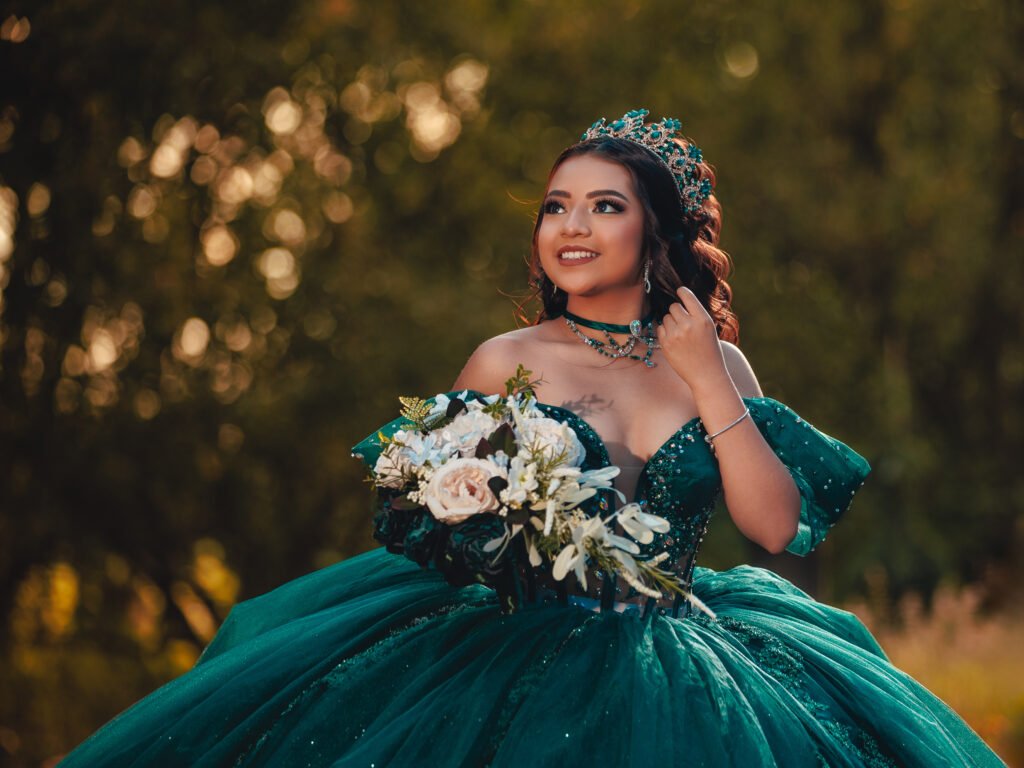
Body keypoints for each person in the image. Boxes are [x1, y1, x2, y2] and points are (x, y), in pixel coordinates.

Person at [60, 109, 1006, 767]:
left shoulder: (713, 363)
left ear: (656, 227)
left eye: (604, 205)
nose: (572, 227)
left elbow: (771, 527)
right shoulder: (505, 357)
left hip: (683, 659)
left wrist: (708, 375)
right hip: (509, 660)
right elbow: (437, 522)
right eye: (558, 206)